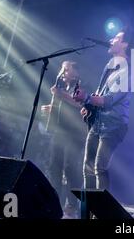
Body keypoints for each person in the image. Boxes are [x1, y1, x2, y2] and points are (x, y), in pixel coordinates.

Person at [73, 29, 134, 191]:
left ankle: (100, 214)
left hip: (113, 125)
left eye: (116, 38)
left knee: (99, 167)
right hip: (98, 122)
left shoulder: (128, 71)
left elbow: (109, 100)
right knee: (87, 168)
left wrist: (87, 98)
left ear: (125, 44)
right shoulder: (111, 66)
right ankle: (86, 213)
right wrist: (89, 106)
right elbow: (101, 94)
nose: (111, 40)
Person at [41, 60, 85, 218]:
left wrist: (61, 95)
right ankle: (54, 202)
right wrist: (51, 109)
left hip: (74, 134)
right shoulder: (64, 87)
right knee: (54, 166)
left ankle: (71, 206)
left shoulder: (80, 84)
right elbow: (65, 108)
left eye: (66, 69)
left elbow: (79, 102)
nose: (62, 72)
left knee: (70, 168)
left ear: (76, 72)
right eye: (62, 69)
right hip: (60, 132)